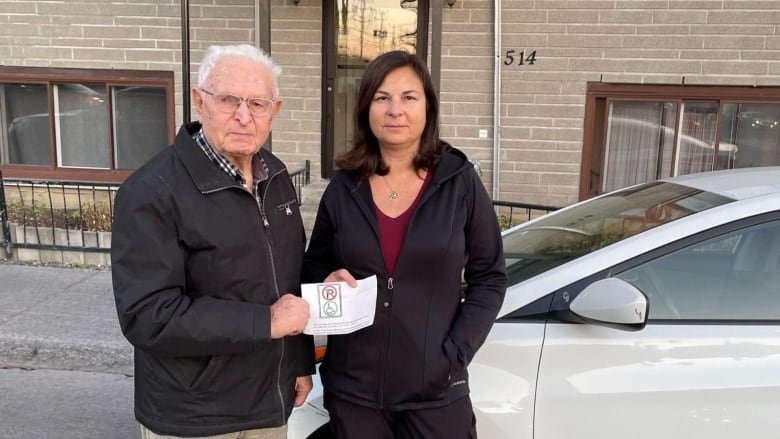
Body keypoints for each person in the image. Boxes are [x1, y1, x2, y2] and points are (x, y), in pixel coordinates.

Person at [110, 44, 314, 439]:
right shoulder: (152, 191)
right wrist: (266, 322)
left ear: (275, 111)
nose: (244, 116)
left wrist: (299, 361)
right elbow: (148, 314)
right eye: (229, 100)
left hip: (268, 407)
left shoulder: (276, 177)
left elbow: (287, 281)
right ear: (199, 101)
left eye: (257, 103)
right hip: (194, 417)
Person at [303, 50, 507, 438]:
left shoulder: (459, 182)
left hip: (436, 391)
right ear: (366, 108)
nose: (395, 110)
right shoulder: (344, 187)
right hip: (354, 391)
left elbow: (490, 277)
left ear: (427, 107)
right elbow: (313, 267)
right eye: (383, 98)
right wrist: (326, 277)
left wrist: (453, 356)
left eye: (409, 97)